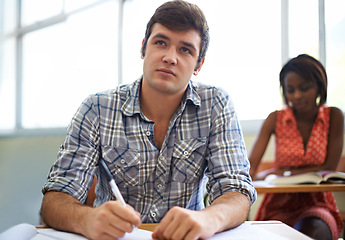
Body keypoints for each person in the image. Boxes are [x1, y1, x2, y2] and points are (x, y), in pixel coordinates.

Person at [40, 1, 256, 239]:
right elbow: (55, 198)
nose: (170, 57)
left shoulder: (216, 105)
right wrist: (86, 218)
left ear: (199, 64)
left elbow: (236, 191)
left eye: (185, 49)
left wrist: (209, 218)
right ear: (143, 48)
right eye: (160, 42)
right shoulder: (96, 108)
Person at [249, 54, 344, 240]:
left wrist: (284, 172)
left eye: (304, 88)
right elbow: (250, 168)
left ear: (319, 86)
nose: (297, 96)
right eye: (290, 90)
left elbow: (329, 169)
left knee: (313, 232)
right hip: (277, 204)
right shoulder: (274, 119)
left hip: (317, 203)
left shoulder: (334, 116)